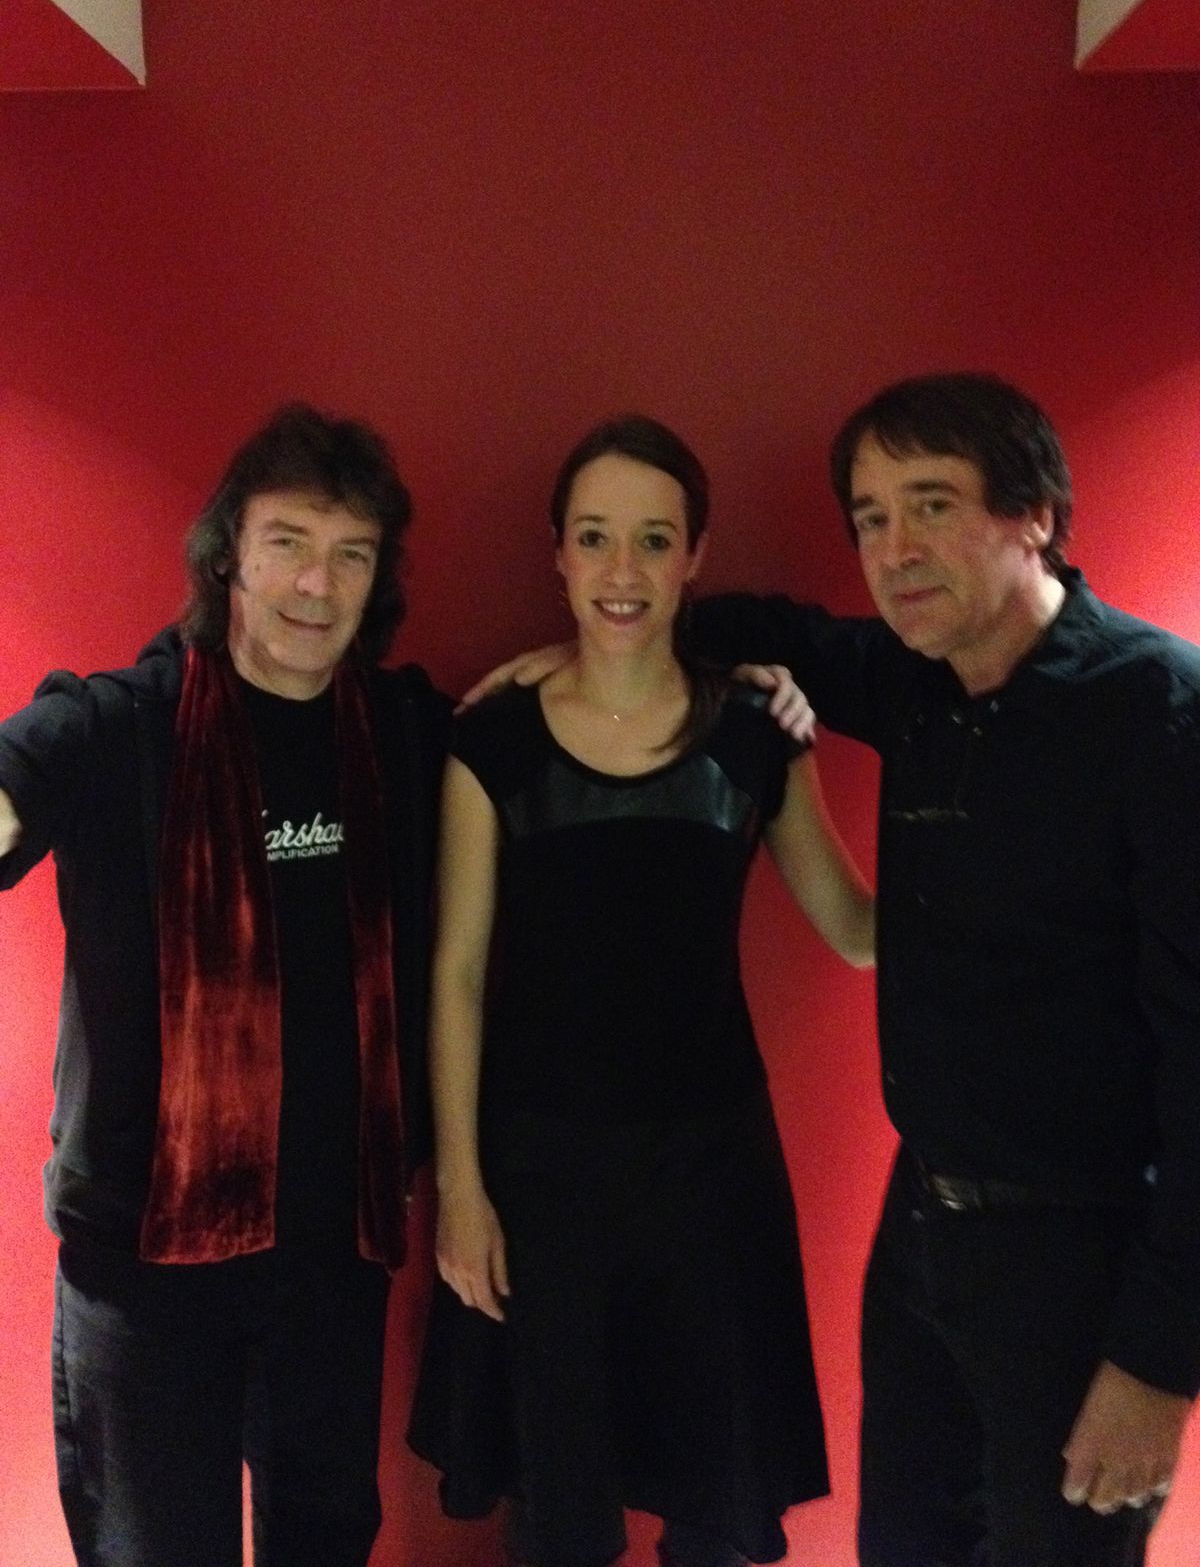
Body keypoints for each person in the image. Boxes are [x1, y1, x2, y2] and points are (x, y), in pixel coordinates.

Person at [469, 374, 1200, 1567]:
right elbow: (736, 621)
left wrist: (1162, 1359)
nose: (895, 549)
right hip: (921, 1242)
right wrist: (601, 642)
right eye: (870, 516)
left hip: (1081, 1257)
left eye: (931, 505)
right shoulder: (914, 675)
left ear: (1036, 516)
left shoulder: (1159, 711)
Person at [407, 414, 874, 1567]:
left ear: (694, 555)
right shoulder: (494, 739)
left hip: (712, 1174)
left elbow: (858, 932)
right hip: (540, 1177)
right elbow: (458, 973)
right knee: (558, 1514)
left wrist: (1014, 868)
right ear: (558, 553)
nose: (623, 569)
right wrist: (461, 1187)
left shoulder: (757, 734)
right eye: (596, 537)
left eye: (654, 539)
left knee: (711, 1508)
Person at [0, 404, 450, 1567]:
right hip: (145, 1272)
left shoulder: (405, 736)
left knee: (324, 1542)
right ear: (228, 555)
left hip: (332, 1258)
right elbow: (15, 780)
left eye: (351, 553)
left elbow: (557, 728)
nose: (317, 583)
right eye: (289, 541)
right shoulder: (119, 730)